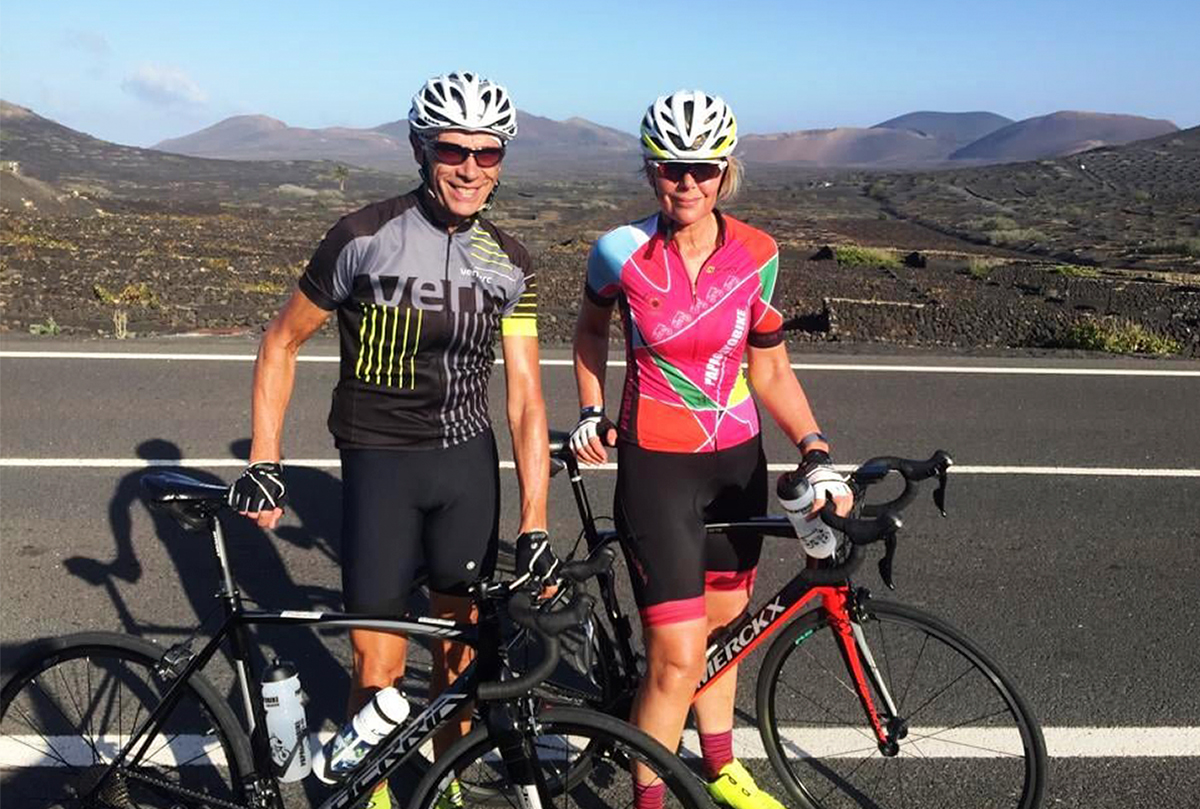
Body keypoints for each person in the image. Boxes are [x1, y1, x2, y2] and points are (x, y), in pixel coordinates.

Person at [229, 71, 549, 808]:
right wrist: (265, 460)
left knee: (462, 647)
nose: (470, 166)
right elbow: (280, 343)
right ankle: (367, 786)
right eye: (452, 148)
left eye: (488, 151)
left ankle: (447, 781)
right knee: (377, 656)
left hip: (466, 465)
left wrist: (536, 517)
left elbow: (527, 397)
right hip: (379, 463)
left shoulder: (512, 263)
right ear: (420, 147)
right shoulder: (361, 237)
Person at [570, 89, 853, 809]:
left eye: (703, 167)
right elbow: (590, 331)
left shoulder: (759, 253)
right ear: (649, 170)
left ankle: (722, 765)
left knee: (726, 634)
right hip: (656, 467)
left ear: (726, 171)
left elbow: (770, 367)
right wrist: (591, 408)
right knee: (674, 658)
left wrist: (815, 446)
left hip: (737, 464)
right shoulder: (620, 251)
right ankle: (650, 801)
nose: (686, 182)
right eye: (670, 168)